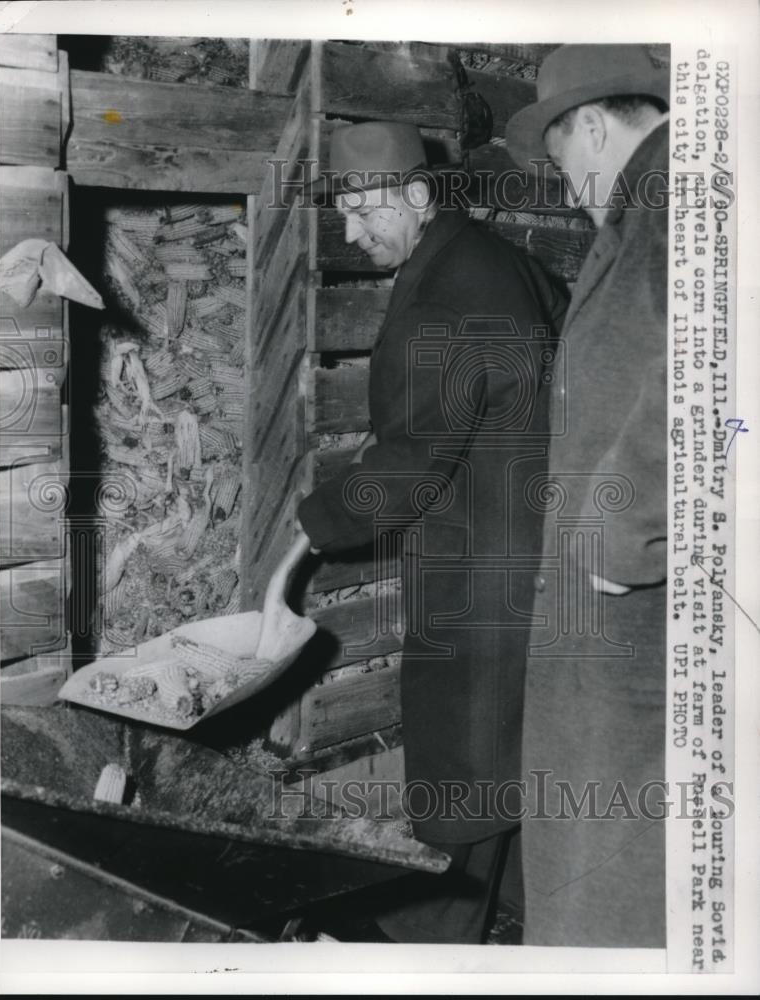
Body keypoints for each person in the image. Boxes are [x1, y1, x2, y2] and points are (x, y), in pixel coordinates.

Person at [293, 121, 566, 943]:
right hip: (533, 545)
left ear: (416, 195)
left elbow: (412, 465)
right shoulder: (497, 261)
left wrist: (310, 526)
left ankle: (420, 943)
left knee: (461, 767)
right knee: (506, 750)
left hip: (480, 566)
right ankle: (535, 916)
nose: (351, 231)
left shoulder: (443, 293)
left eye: (363, 212)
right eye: (341, 215)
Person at [506, 44, 670, 947]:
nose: (568, 188)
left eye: (563, 159)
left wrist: (611, 539)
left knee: (616, 872)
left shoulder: (676, 197)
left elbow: (710, 379)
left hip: (632, 622)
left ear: (596, 126)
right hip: (616, 621)